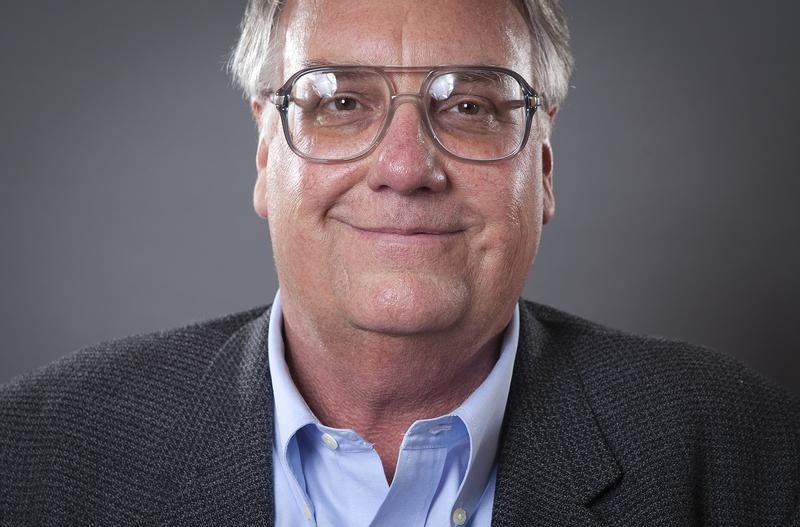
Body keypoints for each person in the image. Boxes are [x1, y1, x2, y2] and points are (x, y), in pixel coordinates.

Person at [1, 0, 798, 525]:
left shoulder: (740, 453)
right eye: (341, 102)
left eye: (471, 107)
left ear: (544, 167)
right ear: (263, 152)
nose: (407, 166)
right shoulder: (37, 455)